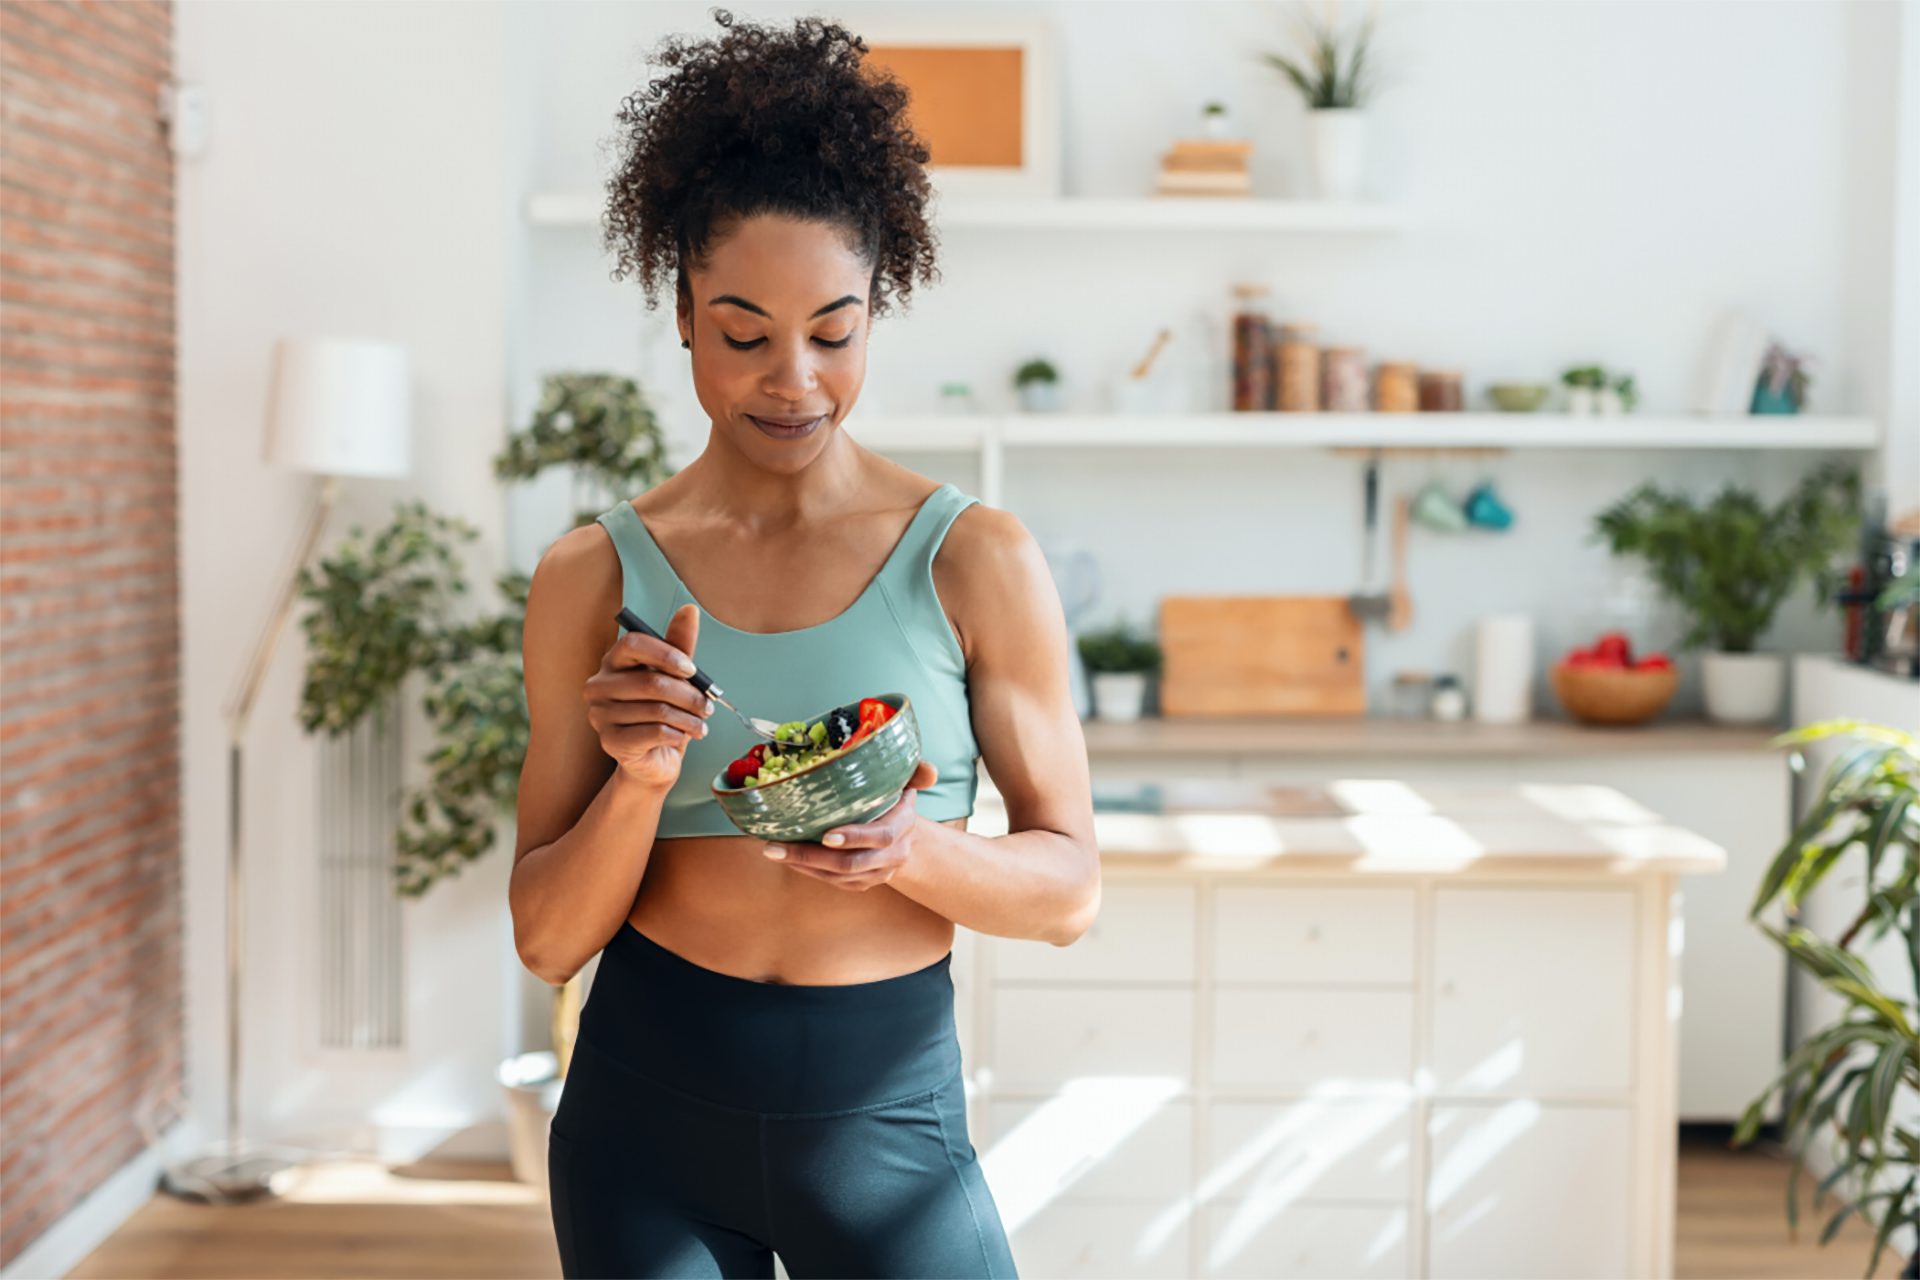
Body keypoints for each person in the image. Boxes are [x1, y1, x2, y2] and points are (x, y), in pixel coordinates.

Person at [508, 13, 1100, 1279]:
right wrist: (643, 778)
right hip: (640, 1127)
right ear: (681, 314)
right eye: (743, 332)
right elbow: (549, 937)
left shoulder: (973, 557)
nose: (795, 380)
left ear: (878, 309)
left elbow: (1070, 891)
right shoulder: (591, 577)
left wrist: (913, 845)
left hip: (884, 1122)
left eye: (834, 331)